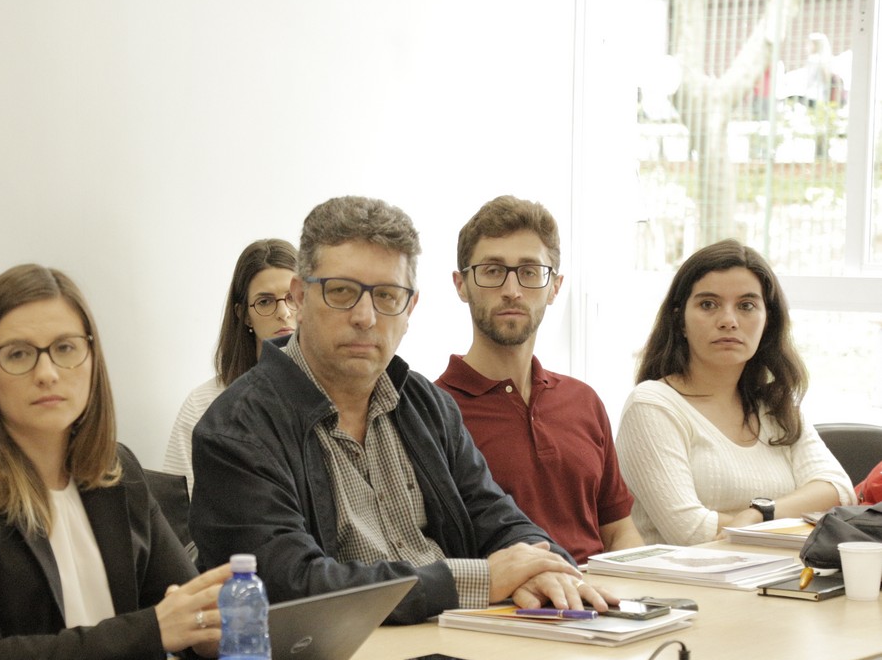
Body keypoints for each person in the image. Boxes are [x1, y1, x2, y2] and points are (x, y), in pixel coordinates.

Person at [189, 195, 610, 626]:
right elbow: (289, 585)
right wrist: (481, 580)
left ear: (410, 308)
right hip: (341, 657)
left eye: (387, 296)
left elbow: (497, 518)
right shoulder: (237, 429)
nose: (365, 317)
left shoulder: (427, 406)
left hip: (456, 642)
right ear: (299, 297)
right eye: (341, 292)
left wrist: (545, 569)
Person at [0, 263, 230, 660]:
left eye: (65, 348)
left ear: (92, 360)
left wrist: (207, 632)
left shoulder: (118, 471)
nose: (47, 373)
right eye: (18, 354)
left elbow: (181, 608)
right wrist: (148, 632)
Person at [435, 195, 641, 563]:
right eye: (492, 271)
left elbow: (619, 530)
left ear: (554, 287)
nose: (512, 290)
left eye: (530, 272)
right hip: (508, 596)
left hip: (599, 592)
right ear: (461, 284)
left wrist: (635, 586)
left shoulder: (584, 401)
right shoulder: (433, 413)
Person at [616, 239, 854, 545]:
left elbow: (838, 490)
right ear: (680, 320)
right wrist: (798, 526)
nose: (728, 321)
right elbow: (690, 531)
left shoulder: (774, 405)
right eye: (708, 304)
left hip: (780, 569)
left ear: (768, 321)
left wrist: (759, 514)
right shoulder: (652, 405)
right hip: (685, 575)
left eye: (746, 306)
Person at [163, 238, 298, 490]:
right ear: (244, 315)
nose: (284, 312)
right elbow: (178, 506)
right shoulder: (204, 404)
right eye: (265, 301)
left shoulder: (339, 395)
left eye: (293, 297)